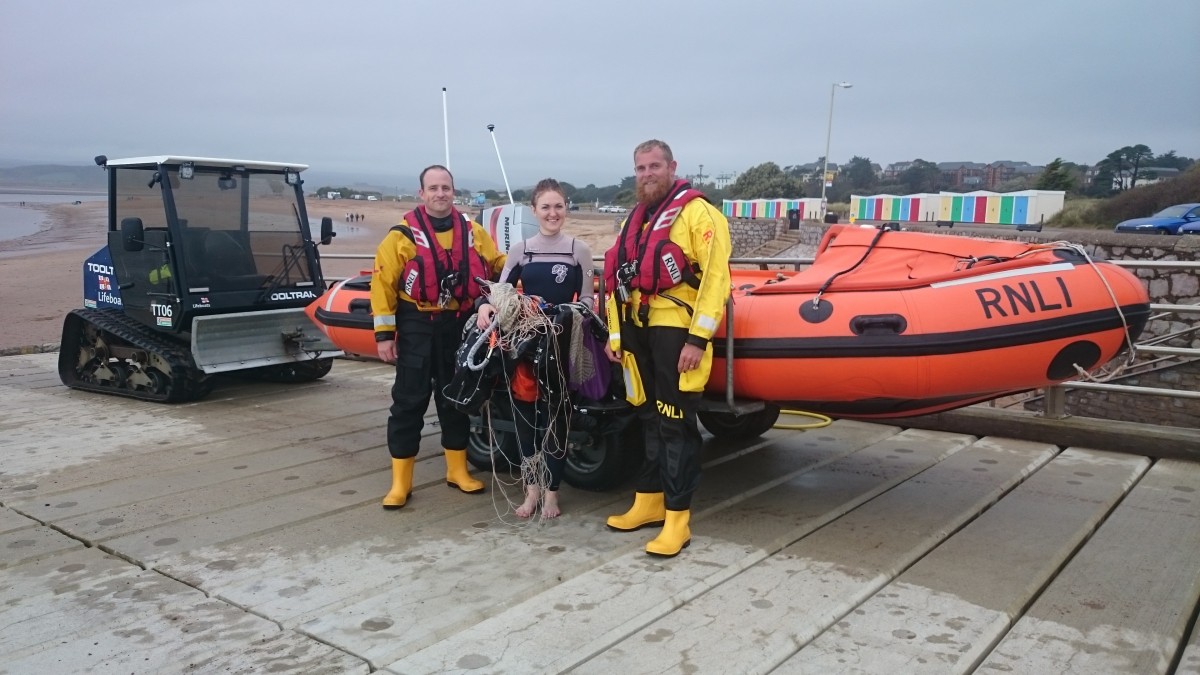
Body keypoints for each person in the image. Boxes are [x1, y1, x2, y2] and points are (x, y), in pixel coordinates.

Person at [602, 140, 732, 557]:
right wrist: (616, 337)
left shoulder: (699, 214)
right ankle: (649, 500)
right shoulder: (633, 221)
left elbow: (715, 281)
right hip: (637, 330)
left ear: (672, 167)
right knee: (648, 418)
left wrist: (698, 339)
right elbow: (615, 279)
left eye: (654, 166)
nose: (646, 174)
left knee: (676, 423)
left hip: (676, 331)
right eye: (640, 168)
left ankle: (678, 519)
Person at [370, 164, 507, 509]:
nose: (440, 193)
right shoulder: (400, 237)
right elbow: (383, 285)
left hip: (459, 324)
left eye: (446, 187)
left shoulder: (473, 233)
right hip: (416, 323)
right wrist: (384, 336)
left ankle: (457, 471)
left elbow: (496, 265)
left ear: (454, 191)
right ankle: (401, 483)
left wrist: (529, 263)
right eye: (433, 188)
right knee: (408, 402)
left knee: (456, 398)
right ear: (422, 193)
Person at [476, 178, 594, 519]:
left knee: (557, 419)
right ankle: (531, 491)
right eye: (546, 207)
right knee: (527, 420)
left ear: (566, 209)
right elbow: (500, 292)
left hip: (560, 345)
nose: (552, 213)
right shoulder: (522, 249)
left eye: (559, 206)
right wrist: (485, 308)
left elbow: (586, 298)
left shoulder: (578, 250)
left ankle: (553, 494)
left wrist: (576, 311)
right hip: (524, 348)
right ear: (534, 210)